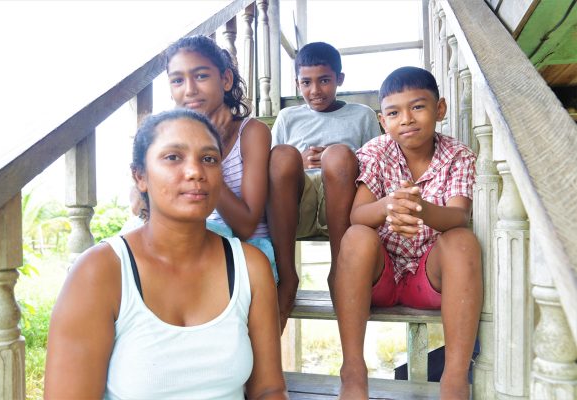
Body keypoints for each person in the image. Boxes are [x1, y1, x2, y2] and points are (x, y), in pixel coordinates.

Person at [44, 109, 287, 399]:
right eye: (173, 157)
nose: (196, 171)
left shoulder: (249, 266)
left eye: (209, 159)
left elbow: (269, 389)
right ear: (140, 176)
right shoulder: (100, 272)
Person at [334, 66, 482, 400]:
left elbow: (459, 215)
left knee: (462, 241)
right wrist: (389, 206)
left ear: (439, 109)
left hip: (428, 278)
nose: (407, 119)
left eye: (418, 106)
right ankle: (354, 370)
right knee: (356, 236)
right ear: (382, 120)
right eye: (394, 112)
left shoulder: (458, 156)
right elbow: (358, 214)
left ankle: (455, 379)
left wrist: (419, 209)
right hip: (381, 275)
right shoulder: (376, 152)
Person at [268, 41, 380, 330]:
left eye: (324, 80)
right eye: (306, 82)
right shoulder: (287, 117)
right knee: (281, 155)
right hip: (297, 207)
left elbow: (379, 169)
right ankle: (286, 273)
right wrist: (299, 163)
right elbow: (272, 173)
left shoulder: (362, 115)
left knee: (340, 156)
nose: (315, 90)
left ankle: (340, 269)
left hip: (344, 204)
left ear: (340, 79)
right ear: (297, 83)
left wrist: (341, 157)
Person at [164, 35, 277, 281]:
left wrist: (206, 155)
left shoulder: (251, 133)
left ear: (225, 80)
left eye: (201, 76)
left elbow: (246, 226)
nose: (190, 89)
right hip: (189, 248)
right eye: (177, 80)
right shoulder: (171, 136)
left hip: (243, 253)